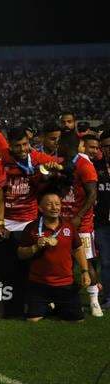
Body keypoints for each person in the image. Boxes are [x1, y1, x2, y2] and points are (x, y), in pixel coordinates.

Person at [17, 190, 90, 322]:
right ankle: (52, 306)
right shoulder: (31, 228)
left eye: (57, 204)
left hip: (65, 283)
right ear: (40, 208)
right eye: (50, 204)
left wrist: (85, 271)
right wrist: (35, 247)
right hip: (39, 284)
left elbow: (78, 248)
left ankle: (56, 306)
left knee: (77, 320)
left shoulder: (69, 226)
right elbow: (20, 254)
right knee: (33, 319)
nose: (54, 207)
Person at [57, 132, 101, 317]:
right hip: (62, 220)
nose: (59, 147)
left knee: (86, 261)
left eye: (62, 144)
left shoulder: (84, 166)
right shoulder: (61, 163)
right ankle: (62, 299)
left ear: (70, 147)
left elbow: (92, 195)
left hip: (81, 224)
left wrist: (79, 216)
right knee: (61, 261)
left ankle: (93, 301)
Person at [0, 127, 61, 233]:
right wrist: (0, 222)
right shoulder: (0, 157)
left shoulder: (37, 158)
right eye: (17, 146)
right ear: (9, 145)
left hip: (30, 218)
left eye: (25, 144)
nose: (22, 149)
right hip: (6, 218)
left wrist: (55, 168)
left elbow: (62, 164)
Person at [94, 130, 110, 309]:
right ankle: (108, 296)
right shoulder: (96, 165)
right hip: (102, 222)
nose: (108, 150)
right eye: (105, 146)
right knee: (106, 261)